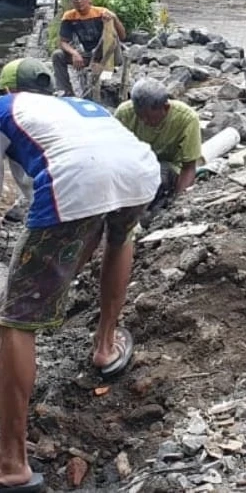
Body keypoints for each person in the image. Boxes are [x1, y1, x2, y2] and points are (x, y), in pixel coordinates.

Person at [0, 58, 160, 493]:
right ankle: (105, 347)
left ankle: (10, 464)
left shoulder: (2, 108)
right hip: (140, 170)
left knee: (16, 316)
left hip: (76, 178)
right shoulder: (73, 106)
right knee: (119, 236)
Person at [115, 78, 202, 199]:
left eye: (149, 117)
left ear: (165, 108)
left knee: (158, 173)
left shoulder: (187, 118)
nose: (144, 121)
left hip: (166, 169)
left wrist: (179, 201)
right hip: (134, 166)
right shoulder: (124, 113)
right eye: (139, 116)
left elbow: (188, 167)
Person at [52, 0, 126, 96]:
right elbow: (63, 42)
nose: (79, 1)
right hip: (88, 54)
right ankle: (66, 91)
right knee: (57, 55)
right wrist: (74, 53)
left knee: (108, 37)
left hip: (108, 54)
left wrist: (114, 18)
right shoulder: (69, 16)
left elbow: (122, 36)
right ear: (71, 1)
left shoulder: (101, 12)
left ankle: (104, 74)